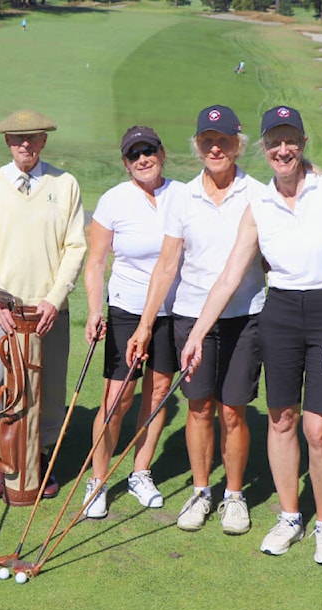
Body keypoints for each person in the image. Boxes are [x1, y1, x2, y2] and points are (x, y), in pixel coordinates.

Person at [179, 105, 322, 566]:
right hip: (280, 312)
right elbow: (228, 277)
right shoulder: (258, 204)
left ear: (302, 143)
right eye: (274, 141)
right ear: (264, 148)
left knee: (318, 428)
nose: (283, 149)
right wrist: (197, 335)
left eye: (291, 140)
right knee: (282, 419)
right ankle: (289, 517)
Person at [126, 105, 266, 535]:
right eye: (208, 141)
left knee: (233, 411)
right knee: (200, 407)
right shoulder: (183, 197)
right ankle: (202, 491)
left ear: (238, 144)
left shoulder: (259, 193)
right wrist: (146, 324)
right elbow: (167, 266)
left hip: (245, 316)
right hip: (189, 317)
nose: (215, 147)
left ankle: (235, 495)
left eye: (223, 140)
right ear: (198, 146)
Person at [0, 109, 87, 501]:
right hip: (0, 311)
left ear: (44, 141)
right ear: (7, 142)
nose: (26, 144)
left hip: (48, 312)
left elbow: (75, 247)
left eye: (33, 137)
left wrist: (55, 299)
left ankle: (39, 457)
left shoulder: (65, 184)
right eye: (18, 138)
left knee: (49, 392)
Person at [80, 126, 184, 519]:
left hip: (172, 312)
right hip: (126, 309)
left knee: (158, 393)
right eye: (134, 154)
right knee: (117, 399)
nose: (143, 158)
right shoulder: (113, 201)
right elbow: (95, 263)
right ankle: (98, 479)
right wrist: (95, 310)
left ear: (162, 152)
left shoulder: (183, 195)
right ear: (125, 163)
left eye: (149, 150)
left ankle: (141, 471)